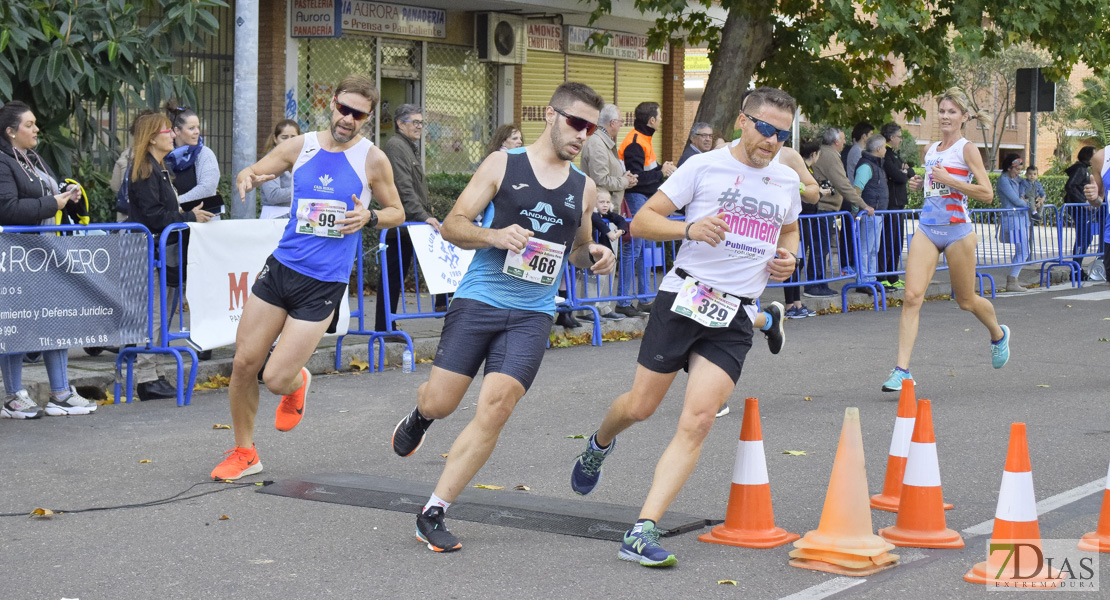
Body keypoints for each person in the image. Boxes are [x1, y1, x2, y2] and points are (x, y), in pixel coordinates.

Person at [568, 87, 801, 568]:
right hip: (685, 297)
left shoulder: (785, 179)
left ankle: (642, 530)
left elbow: (789, 229)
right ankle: (599, 444)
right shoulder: (704, 166)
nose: (772, 141)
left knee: (696, 421)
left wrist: (789, 258)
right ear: (744, 121)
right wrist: (688, 229)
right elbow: (643, 222)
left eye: (782, 133)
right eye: (765, 129)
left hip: (735, 314)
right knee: (640, 406)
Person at [389, 82, 615, 553]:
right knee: (443, 402)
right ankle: (422, 412)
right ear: (551, 116)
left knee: (496, 409)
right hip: (481, 300)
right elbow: (453, 225)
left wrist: (595, 253)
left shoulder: (584, 187)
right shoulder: (502, 165)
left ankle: (434, 510)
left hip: (532, 314)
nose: (583, 135)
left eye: (591, 128)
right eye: (576, 123)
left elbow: (576, 250)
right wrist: (494, 236)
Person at [211, 75, 404, 480]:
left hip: (324, 282)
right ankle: (245, 453)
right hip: (282, 266)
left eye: (358, 114)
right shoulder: (303, 145)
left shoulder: (372, 159)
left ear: (367, 119)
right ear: (332, 104)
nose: (347, 118)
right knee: (245, 362)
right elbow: (258, 169)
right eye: (343, 108)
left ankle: (296, 382)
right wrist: (248, 176)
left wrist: (369, 216)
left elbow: (397, 213)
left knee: (275, 377)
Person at [882, 87, 1009, 392]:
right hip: (927, 228)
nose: (945, 116)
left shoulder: (967, 150)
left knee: (965, 301)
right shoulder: (930, 148)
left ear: (964, 117)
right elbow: (930, 187)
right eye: (942, 111)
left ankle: (998, 333)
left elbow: (987, 194)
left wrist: (951, 180)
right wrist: (917, 184)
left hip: (958, 232)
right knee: (912, 297)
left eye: (952, 112)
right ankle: (902, 370)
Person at [0, 100, 98, 418]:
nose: (36, 129)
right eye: (29, 124)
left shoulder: (35, 159)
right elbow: (9, 210)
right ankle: (14, 396)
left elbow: (50, 200)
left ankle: (60, 393)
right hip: (17, 258)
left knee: (55, 319)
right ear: (10, 132)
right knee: (15, 326)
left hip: (49, 255)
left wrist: (69, 198)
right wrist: (51, 202)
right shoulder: (3, 161)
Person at [126, 113, 216, 400]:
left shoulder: (159, 168)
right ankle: (147, 377)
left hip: (162, 253)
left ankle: (156, 373)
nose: (172, 135)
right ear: (152, 137)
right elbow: (154, 216)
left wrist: (186, 214)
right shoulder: (144, 170)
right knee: (154, 314)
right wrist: (189, 216)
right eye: (167, 130)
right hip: (150, 252)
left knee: (162, 313)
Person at [374, 103, 447, 332]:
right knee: (392, 276)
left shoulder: (408, 146)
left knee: (434, 263)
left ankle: (441, 303)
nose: (420, 127)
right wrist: (423, 216)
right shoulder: (396, 146)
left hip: (409, 222)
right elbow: (403, 187)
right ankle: (384, 326)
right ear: (400, 123)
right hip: (401, 224)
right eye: (415, 122)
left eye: (421, 122)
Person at [616, 101, 676, 317]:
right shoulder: (635, 142)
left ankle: (642, 299)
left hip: (643, 198)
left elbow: (646, 172)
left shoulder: (644, 139)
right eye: (659, 117)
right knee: (633, 250)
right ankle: (623, 301)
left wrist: (662, 169)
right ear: (652, 121)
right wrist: (661, 173)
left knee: (641, 251)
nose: (661, 120)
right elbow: (636, 179)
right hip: (635, 198)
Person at [579, 103, 636, 323]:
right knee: (596, 262)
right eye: (621, 121)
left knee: (608, 261)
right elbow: (600, 179)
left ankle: (603, 306)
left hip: (608, 211)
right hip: (596, 213)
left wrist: (625, 179)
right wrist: (624, 181)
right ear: (612, 123)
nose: (621, 125)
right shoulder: (597, 143)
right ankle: (589, 308)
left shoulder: (606, 143)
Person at [808, 127, 871, 297]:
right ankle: (814, 285)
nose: (845, 142)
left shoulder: (827, 154)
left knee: (821, 248)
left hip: (824, 208)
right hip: (823, 208)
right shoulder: (830, 156)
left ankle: (819, 284)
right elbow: (843, 184)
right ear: (836, 141)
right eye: (842, 139)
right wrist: (862, 204)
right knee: (820, 248)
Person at [786, 138, 828, 319]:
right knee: (792, 263)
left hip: (805, 223)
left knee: (799, 263)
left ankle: (796, 303)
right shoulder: (796, 170)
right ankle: (790, 304)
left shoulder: (806, 171)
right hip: (798, 222)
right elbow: (800, 189)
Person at [852, 134, 889, 283]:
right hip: (869, 214)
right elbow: (856, 190)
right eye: (885, 147)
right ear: (879, 149)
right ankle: (863, 280)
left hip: (875, 214)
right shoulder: (867, 166)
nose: (886, 150)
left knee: (873, 250)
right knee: (866, 250)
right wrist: (858, 210)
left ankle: (870, 279)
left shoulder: (874, 165)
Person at [878, 122, 910, 289]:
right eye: (899, 137)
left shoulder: (895, 155)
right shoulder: (887, 156)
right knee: (888, 241)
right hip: (891, 204)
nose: (900, 140)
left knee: (897, 242)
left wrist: (905, 172)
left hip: (899, 205)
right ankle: (883, 275)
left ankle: (893, 275)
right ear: (891, 137)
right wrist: (903, 172)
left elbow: (908, 171)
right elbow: (900, 176)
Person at [110, 109, 156, 222]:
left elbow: (115, 186)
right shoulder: (157, 158)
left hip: (125, 221)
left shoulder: (126, 155)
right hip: (149, 224)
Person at [996, 154, 1030, 292]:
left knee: (1023, 250)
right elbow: (1015, 200)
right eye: (1016, 170)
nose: (1018, 173)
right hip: (1012, 219)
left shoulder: (1017, 180)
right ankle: (1012, 279)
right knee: (1023, 250)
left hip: (1020, 218)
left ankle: (1013, 280)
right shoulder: (1004, 181)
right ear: (1009, 168)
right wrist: (1029, 205)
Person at [258, 119, 302, 219]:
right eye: (284, 137)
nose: (289, 141)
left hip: (295, 214)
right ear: (275, 138)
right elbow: (273, 195)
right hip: (275, 215)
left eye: (293, 137)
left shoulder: (302, 159)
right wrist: (303, 189)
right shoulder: (270, 161)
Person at [1065, 146, 1096, 278]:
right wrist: (1083, 202)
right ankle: (1075, 268)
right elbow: (1070, 186)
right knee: (1083, 238)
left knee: (1086, 238)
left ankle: (1077, 267)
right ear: (1088, 156)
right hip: (1079, 209)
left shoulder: (1085, 170)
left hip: (1083, 209)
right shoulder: (1080, 169)